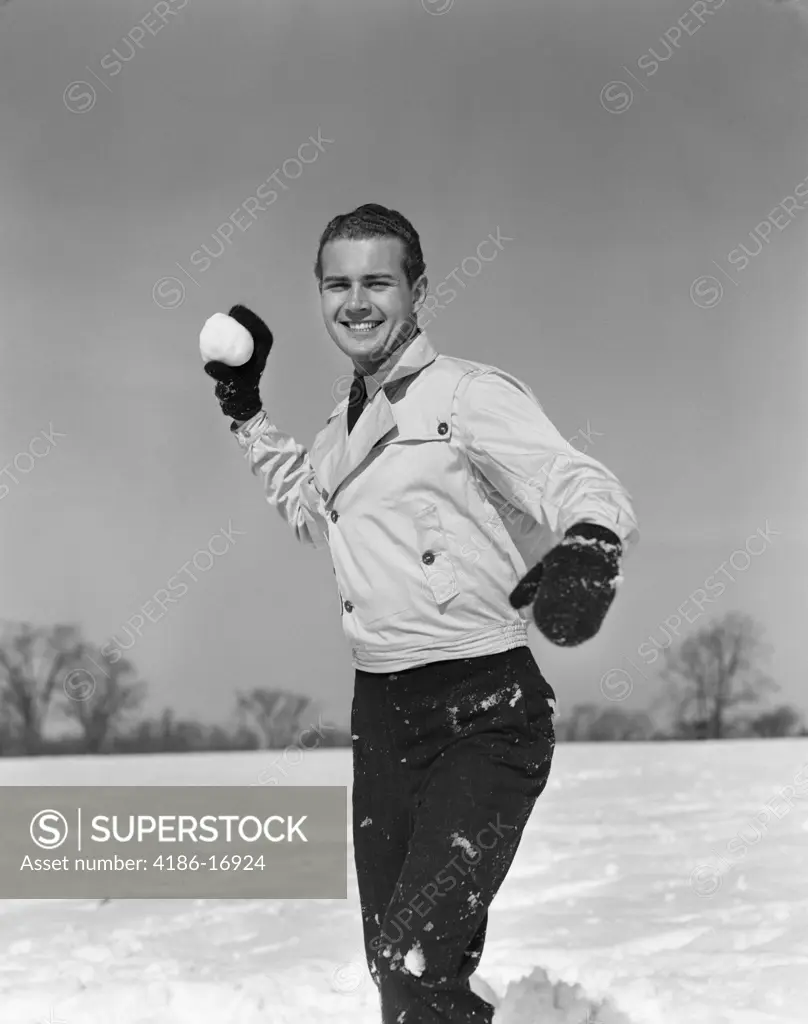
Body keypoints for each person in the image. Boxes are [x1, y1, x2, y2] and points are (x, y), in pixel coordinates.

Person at [202, 203, 639, 1023]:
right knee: (394, 967)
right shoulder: (343, 427)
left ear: (418, 289)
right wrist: (245, 406)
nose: (356, 301)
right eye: (338, 283)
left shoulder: (466, 395)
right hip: (385, 713)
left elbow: (574, 477)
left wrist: (590, 543)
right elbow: (309, 507)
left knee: (416, 958)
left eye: (377, 281)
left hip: (485, 707)